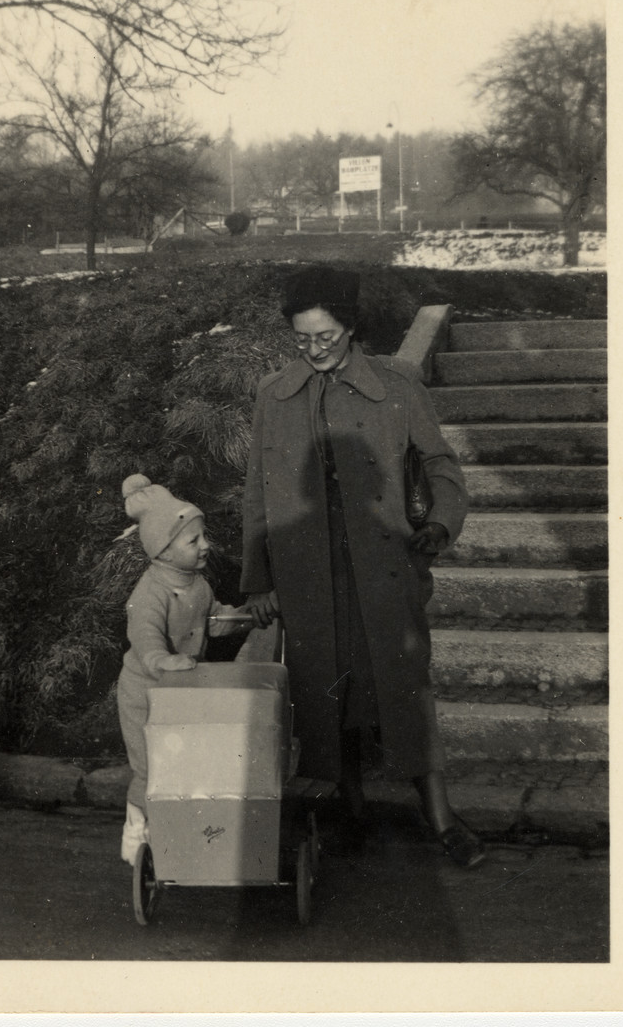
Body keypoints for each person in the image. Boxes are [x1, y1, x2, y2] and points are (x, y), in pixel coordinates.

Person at [240, 266, 484, 867]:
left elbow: (441, 466)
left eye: (325, 336)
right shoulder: (274, 394)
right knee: (327, 693)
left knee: (405, 687)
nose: (315, 349)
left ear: (350, 327)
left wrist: (439, 523)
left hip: (386, 569)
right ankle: (353, 811)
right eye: (302, 338)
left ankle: (441, 816)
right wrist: (259, 580)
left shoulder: (398, 384)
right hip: (308, 574)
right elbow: (258, 494)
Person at [116, 473, 251, 864]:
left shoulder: (198, 585)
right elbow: (145, 638)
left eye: (202, 536)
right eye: (194, 541)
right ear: (164, 550)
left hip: (181, 694)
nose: (205, 545)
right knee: (149, 771)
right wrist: (163, 659)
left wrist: (245, 617)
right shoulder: (150, 593)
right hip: (145, 695)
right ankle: (136, 830)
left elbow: (215, 620)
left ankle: (178, 832)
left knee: (183, 766)